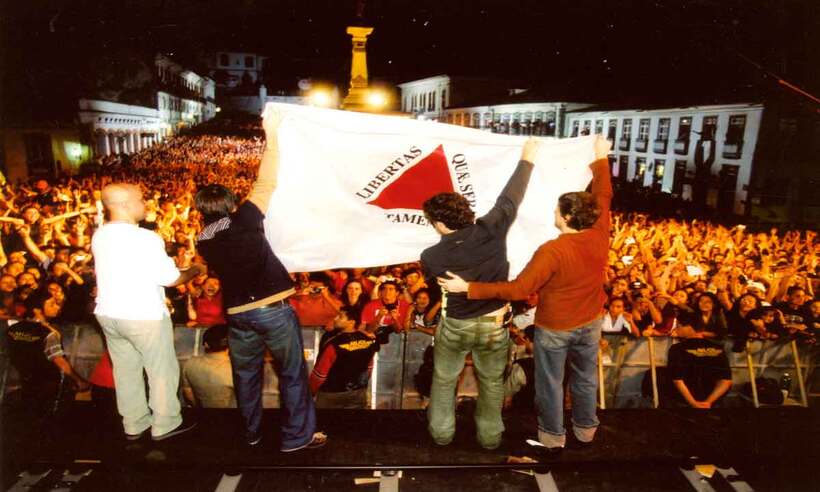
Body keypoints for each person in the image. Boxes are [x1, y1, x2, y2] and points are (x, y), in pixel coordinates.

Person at [440, 135, 612, 450]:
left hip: (556, 327)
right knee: (585, 379)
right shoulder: (601, 231)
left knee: (550, 384)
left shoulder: (552, 251)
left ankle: (552, 437)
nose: (555, 214)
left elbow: (520, 289)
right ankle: (586, 431)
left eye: (559, 211)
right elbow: (603, 193)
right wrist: (601, 158)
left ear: (569, 217)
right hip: (591, 322)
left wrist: (469, 287)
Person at [194, 109, 325, 451]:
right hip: (272, 309)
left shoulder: (203, 239)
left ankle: (250, 433)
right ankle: (297, 437)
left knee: (245, 376)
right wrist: (273, 135)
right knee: (292, 374)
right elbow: (267, 181)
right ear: (230, 203)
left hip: (238, 315)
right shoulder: (246, 219)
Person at [421, 137, 539, 450]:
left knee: (445, 381)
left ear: (441, 224)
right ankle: (489, 439)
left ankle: (442, 435)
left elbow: (436, 287)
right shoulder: (492, 228)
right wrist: (527, 157)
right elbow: (512, 196)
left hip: (456, 324)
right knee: (491, 382)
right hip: (494, 325)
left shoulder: (431, 256)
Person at [93, 183, 205, 441]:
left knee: (125, 370)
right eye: (141, 199)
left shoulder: (100, 234)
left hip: (109, 314)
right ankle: (165, 423)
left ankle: (134, 423)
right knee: (161, 369)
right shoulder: (145, 238)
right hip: (142, 314)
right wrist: (196, 270)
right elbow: (171, 279)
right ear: (124, 204)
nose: (146, 204)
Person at [309, 306, 380, 408]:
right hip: (358, 392)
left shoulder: (333, 343)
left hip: (331, 395)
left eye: (340, 316)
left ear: (351, 322)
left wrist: (310, 392)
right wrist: (360, 386)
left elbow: (320, 374)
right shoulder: (368, 341)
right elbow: (369, 368)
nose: (335, 318)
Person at [667, 312, 732, 408]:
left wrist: (693, 403)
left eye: (678, 325)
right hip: (712, 399)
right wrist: (708, 402)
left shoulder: (677, 348)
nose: (676, 329)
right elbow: (726, 381)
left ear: (689, 327)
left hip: (684, 400)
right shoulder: (718, 347)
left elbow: (677, 380)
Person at [182, 324, 236, 408]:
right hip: (231, 418)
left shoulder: (190, 364)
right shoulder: (236, 369)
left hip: (204, 415)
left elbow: (188, 393)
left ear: (206, 344)